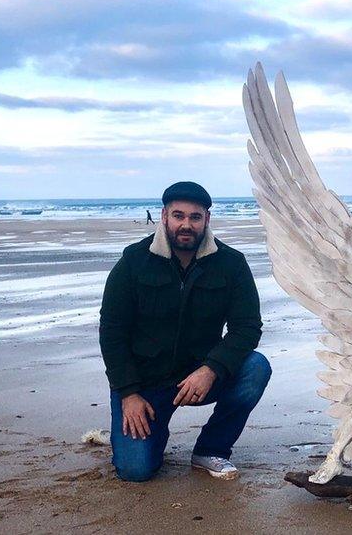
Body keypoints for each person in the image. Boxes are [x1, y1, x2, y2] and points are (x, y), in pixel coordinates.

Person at [99, 181, 269, 482]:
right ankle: (153, 432)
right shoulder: (133, 262)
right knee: (135, 470)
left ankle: (210, 449)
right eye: (179, 216)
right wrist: (128, 393)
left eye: (195, 217)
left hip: (199, 378)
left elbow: (247, 327)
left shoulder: (231, 264)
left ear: (207, 219)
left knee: (255, 367)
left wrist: (212, 369)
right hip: (144, 384)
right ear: (164, 217)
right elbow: (113, 332)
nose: (186, 224)